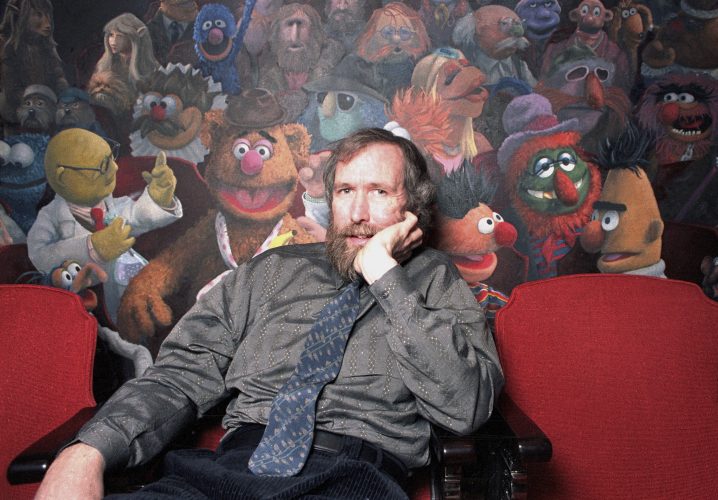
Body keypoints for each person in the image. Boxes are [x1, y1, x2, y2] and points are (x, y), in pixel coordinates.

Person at [35, 128, 504, 500]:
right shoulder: (268, 272)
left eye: (379, 191)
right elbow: (176, 377)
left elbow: (465, 406)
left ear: (412, 209)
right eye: (345, 191)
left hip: (352, 478)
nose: (358, 212)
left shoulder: (435, 281)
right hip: (226, 472)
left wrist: (384, 273)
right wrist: (88, 451)